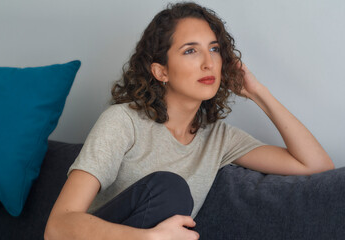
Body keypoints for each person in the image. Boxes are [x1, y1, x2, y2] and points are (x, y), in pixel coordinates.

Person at [44, 2, 334, 240]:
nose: (208, 62)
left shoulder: (218, 138)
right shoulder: (122, 122)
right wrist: (148, 238)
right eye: (190, 51)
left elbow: (317, 166)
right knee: (169, 188)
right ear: (161, 71)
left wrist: (259, 94)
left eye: (215, 49)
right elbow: (57, 227)